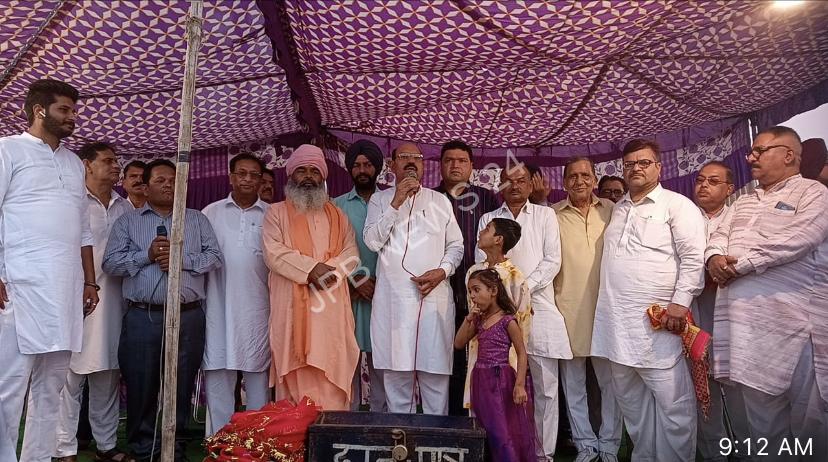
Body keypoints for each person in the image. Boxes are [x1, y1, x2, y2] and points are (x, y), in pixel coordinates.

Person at [706, 126, 828, 461]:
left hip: (797, 330)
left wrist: (741, 265)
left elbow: (802, 237)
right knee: (763, 427)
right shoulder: (742, 201)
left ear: (789, 155)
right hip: (748, 335)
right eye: (751, 152)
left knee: (811, 427)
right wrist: (714, 258)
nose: (750, 158)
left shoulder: (813, 193)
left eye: (760, 151)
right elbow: (718, 235)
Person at [0, 79, 98, 462]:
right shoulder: (8, 149)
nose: (72, 117)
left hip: (66, 289)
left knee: (51, 387)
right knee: (9, 385)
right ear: (40, 110)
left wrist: (90, 281)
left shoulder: (73, 163)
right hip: (19, 286)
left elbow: (83, 229)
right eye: (64, 110)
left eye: (74, 110)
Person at [591, 139, 706, 461]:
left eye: (644, 162)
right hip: (617, 329)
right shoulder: (618, 209)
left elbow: (693, 258)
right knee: (633, 407)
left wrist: (679, 305)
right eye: (629, 164)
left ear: (659, 167)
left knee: (674, 407)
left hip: (659, 326)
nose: (636, 169)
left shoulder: (677, 205)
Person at [103, 159, 223, 461]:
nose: (169, 185)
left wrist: (182, 259)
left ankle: (174, 446)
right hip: (143, 316)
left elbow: (215, 257)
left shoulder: (197, 219)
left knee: (181, 383)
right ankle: (144, 448)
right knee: (141, 383)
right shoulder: (128, 222)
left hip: (188, 315)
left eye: (174, 180)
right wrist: (146, 255)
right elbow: (111, 264)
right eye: (161, 180)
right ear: (145, 187)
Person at [478, 163, 571, 461]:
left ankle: (544, 455)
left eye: (521, 180)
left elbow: (552, 260)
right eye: (509, 180)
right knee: (501, 386)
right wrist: (505, 297)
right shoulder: (489, 219)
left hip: (539, 308)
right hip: (497, 314)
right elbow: (483, 266)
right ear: (500, 185)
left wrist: (522, 288)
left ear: (532, 185)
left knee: (546, 388)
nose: (515, 185)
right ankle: (507, 451)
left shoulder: (545, 215)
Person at [364, 142, 464, 415]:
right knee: (397, 383)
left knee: (435, 385)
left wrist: (442, 271)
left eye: (417, 158)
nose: (411, 162)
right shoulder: (379, 201)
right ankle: (402, 439)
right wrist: (396, 202)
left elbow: (456, 246)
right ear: (391, 165)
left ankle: (435, 439)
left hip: (433, 302)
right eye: (404, 157)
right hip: (394, 306)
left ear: (423, 165)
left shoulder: (440, 201)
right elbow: (372, 242)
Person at [262, 144, 360, 410]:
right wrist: (310, 270)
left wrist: (328, 272)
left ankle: (331, 425)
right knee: (295, 373)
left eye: (314, 171)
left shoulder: (338, 215)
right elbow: (273, 253)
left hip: (331, 309)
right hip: (291, 310)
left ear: (323, 177)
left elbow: (351, 254)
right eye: (301, 170)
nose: (308, 176)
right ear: (291, 175)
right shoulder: (276, 213)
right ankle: (294, 431)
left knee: (331, 367)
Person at [54, 142, 133, 462]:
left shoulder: (125, 207)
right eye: (108, 161)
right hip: (74, 301)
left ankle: (106, 445)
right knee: (68, 378)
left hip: (115, 303)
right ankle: (63, 448)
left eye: (117, 161)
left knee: (107, 375)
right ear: (86, 165)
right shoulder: (70, 200)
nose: (116, 166)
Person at [552, 157, 622, 462]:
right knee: (574, 385)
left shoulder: (613, 210)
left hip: (607, 311)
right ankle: (585, 445)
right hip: (568, 310)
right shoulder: (552, 214)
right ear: (564, 182)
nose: (579, 181)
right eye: (573, 176)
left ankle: (609, 445)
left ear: (594, 179)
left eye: (585, 175)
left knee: (611, 384)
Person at [202, 153, 271, 435]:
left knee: (258, 380)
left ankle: (257, 444)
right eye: (241, 173)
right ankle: (218, 442)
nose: (247, 180)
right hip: (217, 308)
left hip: (259, 310)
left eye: (254, 175)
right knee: (218, 376)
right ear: (231, 177)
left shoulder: (272, 215)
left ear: (261, 180)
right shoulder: (210, 213)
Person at [433, 139, 499, 415]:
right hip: (438, 292)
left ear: (472, 166)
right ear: (440, 165)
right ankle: (449, 422)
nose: (455, 165)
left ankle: (477, 421)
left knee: (478, 358)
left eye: (461, 161)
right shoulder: (429, 199)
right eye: (449, 160)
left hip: (478, 296)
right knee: (445, 359)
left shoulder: (486, 199)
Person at [691, 161, 751, 462]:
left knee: (738, 388)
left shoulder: (742, 217)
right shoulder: (685, 217)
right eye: (700, 180)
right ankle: (714, 452)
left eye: (713, 181)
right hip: (696, 310)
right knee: (702, 385)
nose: (704, 185)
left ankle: (747, 452)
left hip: (734, 310)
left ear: (729, 189)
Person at [454, 269, 536, 462]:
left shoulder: (508, 320)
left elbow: (522, 353)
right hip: (481, 381)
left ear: (493, 291)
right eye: (470, 291)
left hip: (500, 381)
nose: (472, 296)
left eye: (476, 290)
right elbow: (458, 343)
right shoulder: (479, 320)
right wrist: (468, 319)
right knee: (486, 427)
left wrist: (519, 385)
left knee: (502, 431)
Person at [333, 139, 386, 412]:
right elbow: (330, 249)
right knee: (347, 364)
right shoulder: (336, 206)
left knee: (382, 366)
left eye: (367, 165)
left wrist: (379, 284)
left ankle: (382, 425)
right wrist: (355, 279)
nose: (362, 170)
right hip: (348, 295)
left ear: (377, 168)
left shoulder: (391, 203)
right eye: (356, 165)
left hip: (383, 295)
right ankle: (348, 423)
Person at [464, 218, 530, 409]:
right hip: (479, 355)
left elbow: (523, 323)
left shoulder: (515, 276)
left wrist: (518, 375)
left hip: (506, 361)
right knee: (480, 408)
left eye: (487, 229)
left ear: (498, 239)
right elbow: (473, 315)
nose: (481, 232)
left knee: (503, 410)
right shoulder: (474, 272)